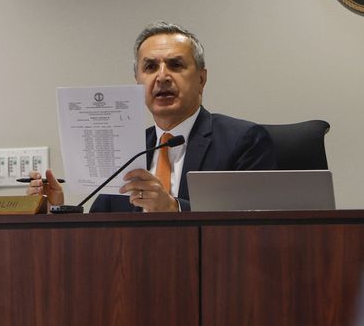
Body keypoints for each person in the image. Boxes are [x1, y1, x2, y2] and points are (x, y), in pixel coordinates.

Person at [27, 21, 276, 212]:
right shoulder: (126, 151)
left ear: (201, 79)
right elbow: (99, 233)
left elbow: (253, 224)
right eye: (150, 67)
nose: (162, 77)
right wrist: (56, 211)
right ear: (137, 82)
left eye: (176, 65)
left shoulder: (243, 141)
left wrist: (175, 208)